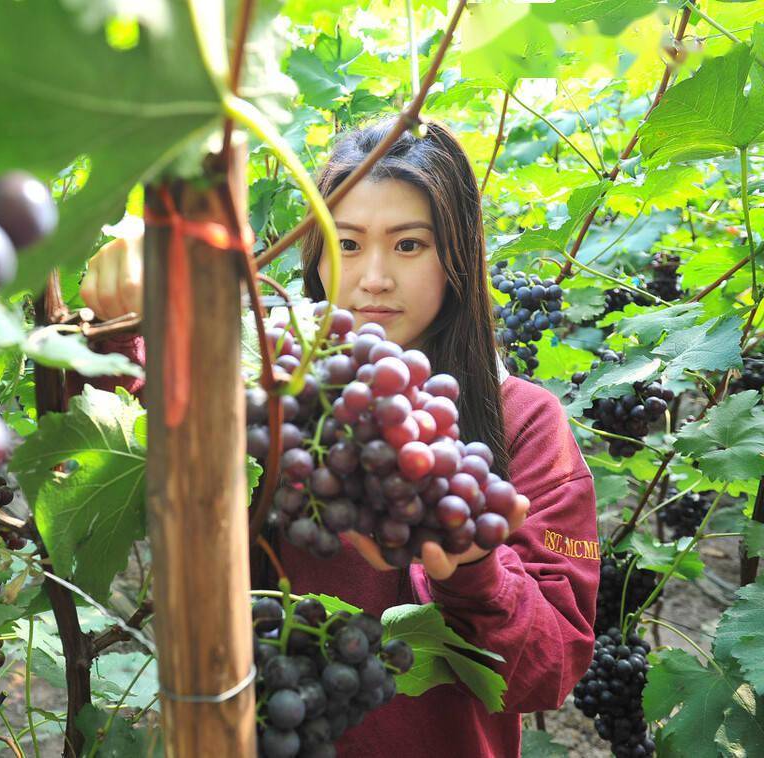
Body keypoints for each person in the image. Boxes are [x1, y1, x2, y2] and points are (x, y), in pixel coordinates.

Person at [75, 117, 599, 758]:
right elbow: (132, 398)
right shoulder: (260, 386)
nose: (374, 276)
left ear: (459, 256)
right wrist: (121, 312)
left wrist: (474, 569)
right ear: (315, 255)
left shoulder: (525, 422)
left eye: (409, 245)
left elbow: (552, 670)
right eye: (347, 244)